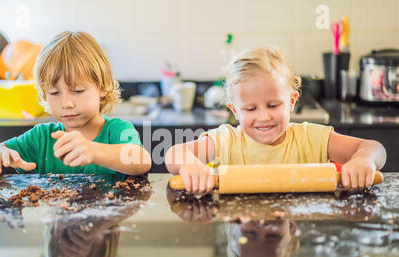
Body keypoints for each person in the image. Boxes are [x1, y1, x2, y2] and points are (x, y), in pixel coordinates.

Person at [165, 46, 386, 193]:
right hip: (239, 219)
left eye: (273, 105)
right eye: (250, 108)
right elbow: (174, 154)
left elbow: (374, 148)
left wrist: (363, 161)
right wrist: (190, 165)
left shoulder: (310, 138)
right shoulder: (227, 141)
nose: (264, 116)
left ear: (291, 101)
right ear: (235, 111)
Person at [0, 31, 151, 176]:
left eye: (78, 91)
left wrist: (94, 151)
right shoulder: (42, 138)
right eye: (54, 93)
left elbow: (141, 161)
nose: (66, 103)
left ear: (104, 87)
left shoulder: (116, 130)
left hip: (109, 223)